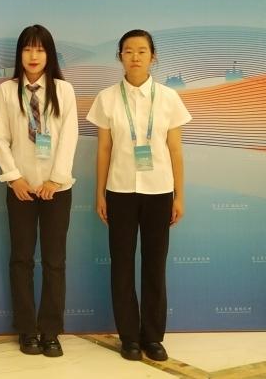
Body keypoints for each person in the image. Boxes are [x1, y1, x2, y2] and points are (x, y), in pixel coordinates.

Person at [87, 30, 191, 362]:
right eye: (128, 51)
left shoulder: (169, 98)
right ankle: (129, 337)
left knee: (155, 265)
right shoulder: (106, 98)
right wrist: (100, 193)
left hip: (159, 191)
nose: (135, 57)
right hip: (119, 191)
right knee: (121, 266)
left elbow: (175, 150)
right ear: (120, 56)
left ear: (152, 57)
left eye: (142, 51)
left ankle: (153, 337)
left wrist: (179, 196)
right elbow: (104, 149)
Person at [0, 24, 78, 358]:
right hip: (21, 189)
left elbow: (69, 137)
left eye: (40, 49)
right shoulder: (7, 91)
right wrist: (14, 178)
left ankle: (51, 331)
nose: (33, 56)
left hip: (56, 189)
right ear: (20, 54)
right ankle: (27, 330)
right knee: (21, 260)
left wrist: (55, 180)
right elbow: (1, 138)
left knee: (55, 261)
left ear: (49, 54)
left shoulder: (63, 90)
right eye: (28, 49)